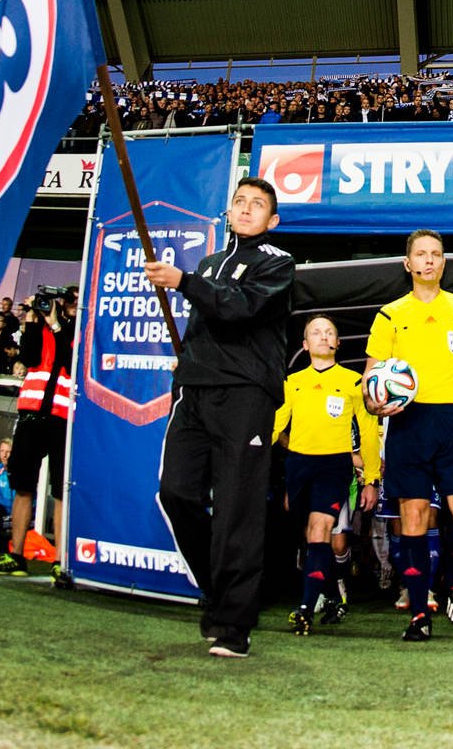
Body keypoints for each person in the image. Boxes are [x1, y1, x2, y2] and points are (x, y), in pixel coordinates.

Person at [144, 176, 295, 660]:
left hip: (246, 397)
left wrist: (184, 282)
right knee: (176, 493)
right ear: (228, 212)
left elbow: (239, 308)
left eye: (258, 205)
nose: (247, 209)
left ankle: (234, 624)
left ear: (272, 220)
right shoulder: (210, 264)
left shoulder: (278, 263)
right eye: (240, 202)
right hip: (195, 393)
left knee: (237, 509)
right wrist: (187, 364)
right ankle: (222, 591)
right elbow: (204, 324)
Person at [364, 229, 453, 643]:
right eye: (421, 255)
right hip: (408, 422)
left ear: (444, 263)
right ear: (407, 264)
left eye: (436, 254)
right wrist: (375, 404)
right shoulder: (389, 314)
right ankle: (419, 612)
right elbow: (372, 374)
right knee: (414, 518)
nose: (428, 260)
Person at [273, 316, 379, 635]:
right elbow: (276, 425)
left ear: (337, 343)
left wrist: (371, 477)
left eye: (329, 332)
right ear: (305, 345)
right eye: (316, 333)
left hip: (334, 466)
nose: (323, 336)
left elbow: (370, 431)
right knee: (309, 537)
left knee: (321, 531)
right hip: (298, 465)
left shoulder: (353, 382)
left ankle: (306, 607)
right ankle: (332, 596)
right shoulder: (292, 382)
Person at [0, 292, 76, 578]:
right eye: (66, 301)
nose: (67, 306)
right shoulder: (40, 327)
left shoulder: (78, 328)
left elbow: (68, 358)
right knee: (23, 485)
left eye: (73, 301)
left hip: (63, 418)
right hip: (31, 414)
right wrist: (31, 321)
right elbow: (28, 357)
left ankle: (60, 561)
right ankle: (16, 555)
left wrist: (56, 325)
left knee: (61, 490)